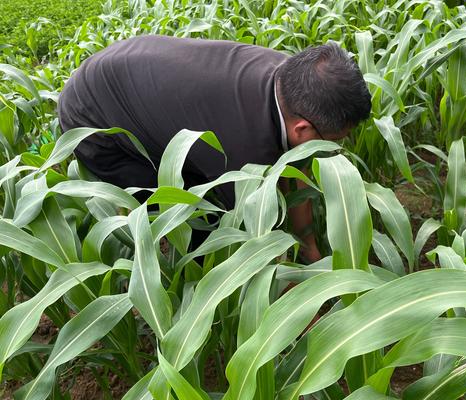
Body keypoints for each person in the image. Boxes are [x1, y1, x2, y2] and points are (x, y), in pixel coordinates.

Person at [57, 35, 372, 262]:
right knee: (199, 224)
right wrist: (297, 303)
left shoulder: (292, 82)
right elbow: (259, 242)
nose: (336, 147)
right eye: (335, 139)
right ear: (301, 129)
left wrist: (308, 248)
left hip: (135, 72)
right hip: (94, 116)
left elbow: (295, 169)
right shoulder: (242, 151)